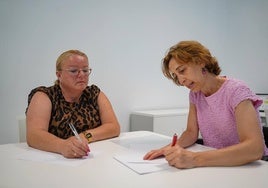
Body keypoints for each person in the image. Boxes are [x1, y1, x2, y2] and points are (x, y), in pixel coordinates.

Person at [143, 41, 268, 168]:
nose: (181, 80)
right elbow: (191, 133)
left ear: (200, 61)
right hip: (217, 163)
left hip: (249, 166)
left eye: (182, 70)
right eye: (176, 76)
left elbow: (254, 149)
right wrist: (166, 149)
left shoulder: (236, 91)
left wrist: (195, 159)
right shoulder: (195, 94)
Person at [26, 50, 120, 158]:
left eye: (85, 70)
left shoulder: (94, 93)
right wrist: (62, 145)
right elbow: (34, 135)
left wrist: (85, 136)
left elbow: (113, 127)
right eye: (74, 71)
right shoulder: (45, 96)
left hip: (91, 158)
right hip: (54, 161)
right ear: (59, 74)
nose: (81, 75)